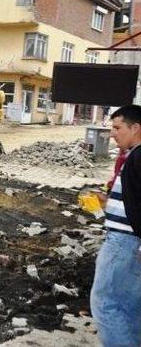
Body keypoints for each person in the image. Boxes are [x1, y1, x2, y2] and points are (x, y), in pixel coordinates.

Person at [90, 104, 141, 347]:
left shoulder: (138, 157)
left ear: (136, 128)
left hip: (124, 243)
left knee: (105, 303)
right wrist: (110, 203)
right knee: (129, 306)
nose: (112, 133)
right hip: (131, 242)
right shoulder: (134, 156)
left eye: (117, 127)